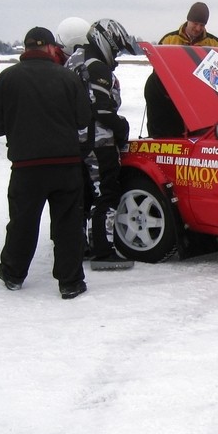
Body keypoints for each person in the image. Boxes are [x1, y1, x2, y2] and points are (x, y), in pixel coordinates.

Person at [0, 26, 91, 299]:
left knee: (23, 221)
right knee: (68, 224)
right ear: (50, 48)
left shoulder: (6, 80)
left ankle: (12, 273)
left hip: (26, 166)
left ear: (25, 48)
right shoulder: (68, 78)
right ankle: (70, 282)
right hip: (66, 164)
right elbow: (83, 118)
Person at [65, 19, 136, 271]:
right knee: (105, 194)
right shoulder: (96, 68)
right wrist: (122, 127)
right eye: (115, 49)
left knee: (83, 196)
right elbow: (102, 109)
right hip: (98, 142)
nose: (115, 55)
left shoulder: (73, 61)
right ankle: (104, 250)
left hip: (75, 141)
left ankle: (81, 244)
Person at [145, 2, 218, 137]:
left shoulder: (214, 44)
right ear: (188, 20)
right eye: (195, 23)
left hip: (200, 102)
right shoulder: (169, 40)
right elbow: (158, 73)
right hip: (171, 101)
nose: (198, 28)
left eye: (202, 25)